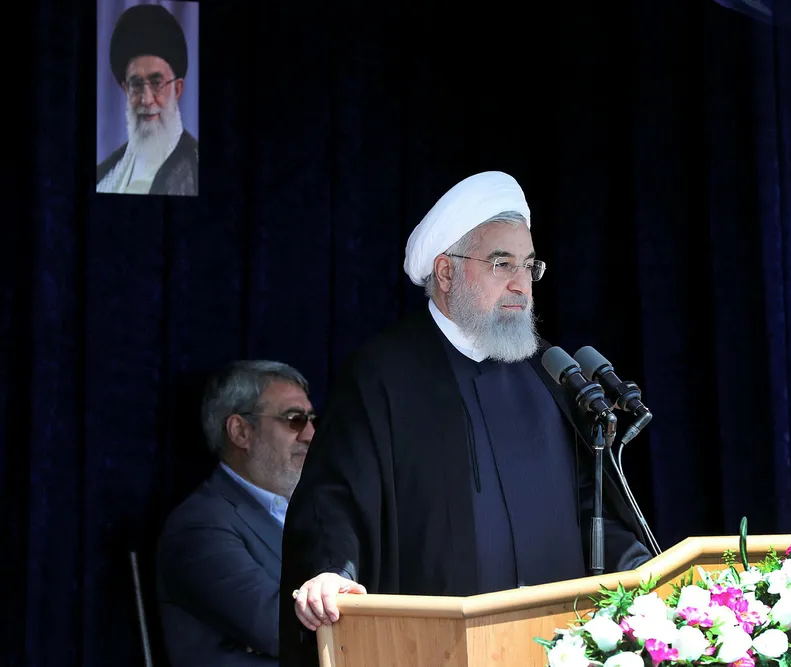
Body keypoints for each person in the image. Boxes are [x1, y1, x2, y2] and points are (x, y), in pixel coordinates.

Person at [278, 171, 653, 666]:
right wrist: (333, 572)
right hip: (434, 651)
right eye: (502, 264)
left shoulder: (547, 373)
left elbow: (592, 503)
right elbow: (335, 496)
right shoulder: (385, 373)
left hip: (556, 646)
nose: (521, 283)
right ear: (446, 272)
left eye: (529, 265)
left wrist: (644, 573)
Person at [157, 360, 316, 666]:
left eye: (311, 419)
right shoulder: (199, 526)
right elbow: (279, 629)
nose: (310, 434)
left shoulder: (313, 512)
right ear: (241, 432)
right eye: (294, 419)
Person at [96, 3, 198, 196]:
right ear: (125, 89)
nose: (146, 99)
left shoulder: (197, 170)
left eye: (156, 82)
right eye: (136, 84)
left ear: (177, 89)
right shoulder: (104, 176)